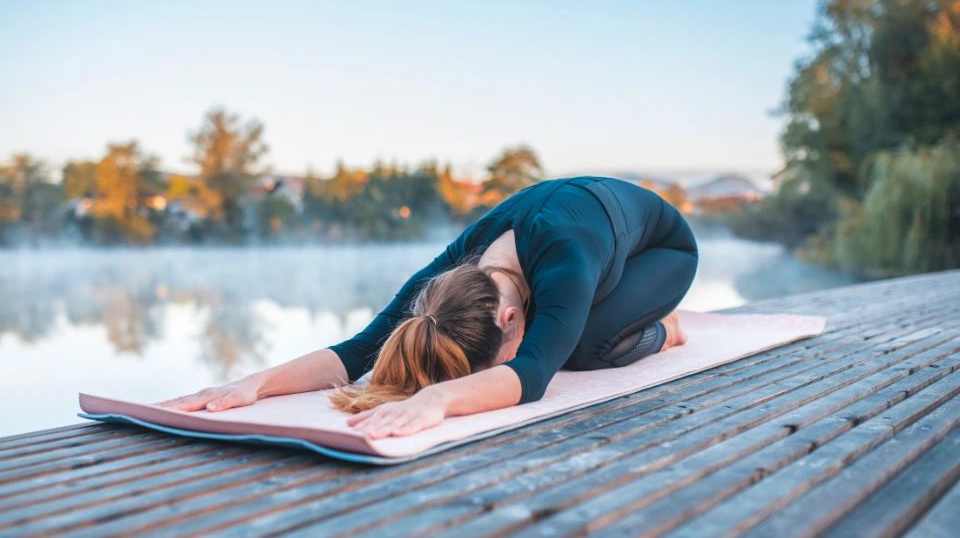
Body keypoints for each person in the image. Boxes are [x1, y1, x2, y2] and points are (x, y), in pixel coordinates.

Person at [158, 176, 699, 440]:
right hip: (590, 239)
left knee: (574, 349)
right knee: (562, 330)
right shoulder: (444, 280)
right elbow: (355, 352)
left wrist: (439, 399)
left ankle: (665, 329)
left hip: (661, 251)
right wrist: (254, 384)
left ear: (508, 318)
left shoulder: (566, 262)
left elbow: (529, 374)